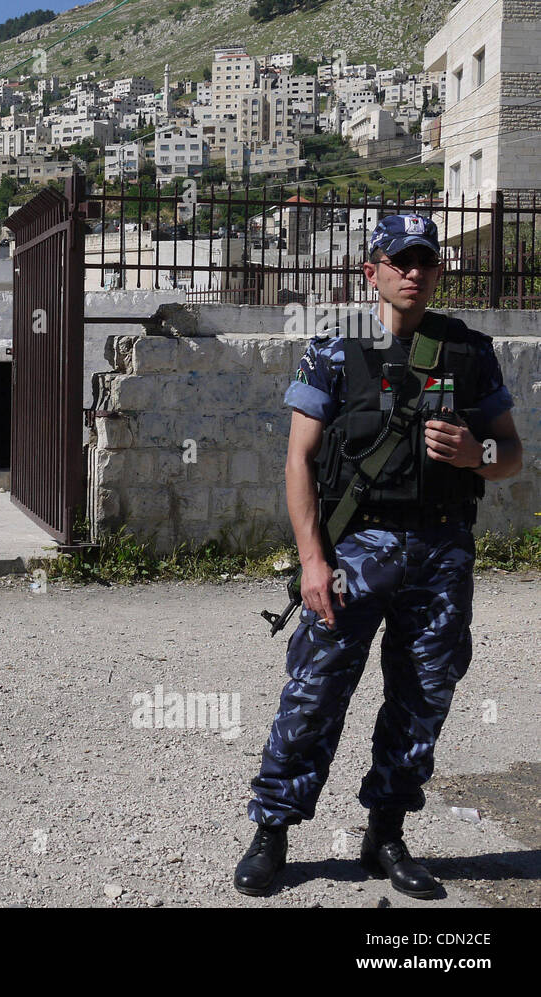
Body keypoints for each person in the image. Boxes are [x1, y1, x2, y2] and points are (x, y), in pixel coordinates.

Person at [235, 214, 523, 898]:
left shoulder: (471, 353)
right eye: (400, 260)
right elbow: (299, 461)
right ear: (373, 271)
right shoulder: (335, 349)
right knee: (314, 692)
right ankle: (272, 829)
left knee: (422, 699)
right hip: (352, 553)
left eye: (426, 260)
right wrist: (311, 560)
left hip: (441, 550)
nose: (414, 272)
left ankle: (385, 833)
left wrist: (474, 454)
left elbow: (510, 455)